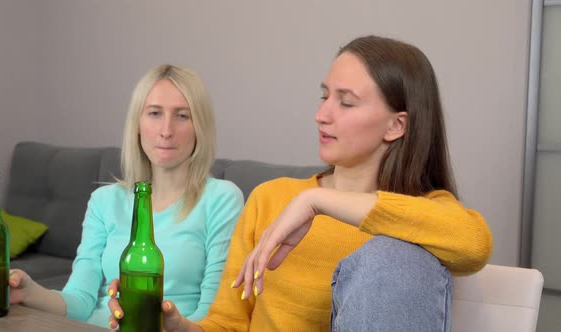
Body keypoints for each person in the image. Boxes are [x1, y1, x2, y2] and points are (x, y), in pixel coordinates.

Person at [108, 35, 493, 331]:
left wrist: (319, 202)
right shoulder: (271, 198)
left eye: (345, 101)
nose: (321, 115)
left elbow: (474, 245)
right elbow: (227, 324)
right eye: (324, 96)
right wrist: (176, 327)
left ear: (396, 125)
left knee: (395, 257)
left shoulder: (425, 216)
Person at [0, 65, 244, 328]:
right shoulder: (104, 201)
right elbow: (79, 301)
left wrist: (171, 325)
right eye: (154, 113)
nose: (166, 130)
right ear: (137, 124)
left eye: (182, 116)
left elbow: (213, 316)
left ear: (200, 126)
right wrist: (29, 291)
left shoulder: (222, 199)